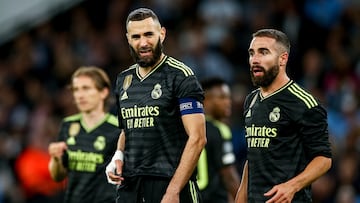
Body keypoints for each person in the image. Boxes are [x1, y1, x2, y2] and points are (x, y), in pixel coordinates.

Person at [105, 7, 206, 203]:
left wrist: (173, 191)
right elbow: (127, 129)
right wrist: (118, 155)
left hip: (169, 182)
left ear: (162, 34)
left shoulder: (181, 76)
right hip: (131, 184)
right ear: (128, 39)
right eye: (136, 37)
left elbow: (198, 138)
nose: (143, 43)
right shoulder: (123, 79)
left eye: (149, 34)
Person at [235, 29, 332, 203]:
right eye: (252, 53)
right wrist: (241, 196)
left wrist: (292, 186)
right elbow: (254, 155)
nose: (255, 59)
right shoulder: (251, 100)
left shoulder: (304, 103)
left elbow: (324, 159)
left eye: (264, 52)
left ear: (283, 59)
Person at [48, 66, 121, 203]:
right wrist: (56, 159)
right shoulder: (68, 125)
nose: (79, 95)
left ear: (103, 92)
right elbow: (57, 176)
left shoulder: (118, 128)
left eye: (86, 88)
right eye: (76, 89)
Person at [197, 77, 240, 203]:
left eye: (228, 97)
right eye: (222, 97)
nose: (228, 102)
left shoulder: (188, 128)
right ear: (206, 100)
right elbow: (229, 176)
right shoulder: (220, 130)